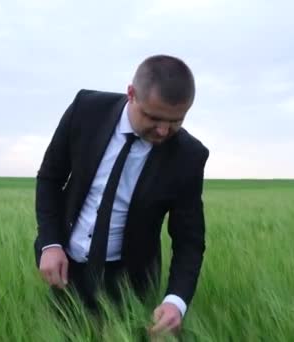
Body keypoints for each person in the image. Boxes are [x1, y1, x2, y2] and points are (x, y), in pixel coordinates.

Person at [33, 54, 210, 336]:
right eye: (153, 117)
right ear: (131, 94)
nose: (164, 130)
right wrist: (50, 243)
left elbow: (189, 239)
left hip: (129, 281)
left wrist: (176, 301)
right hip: (65, 268)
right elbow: (50, 178)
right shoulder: (86, 110)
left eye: (176, 121)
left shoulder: (189, 156)